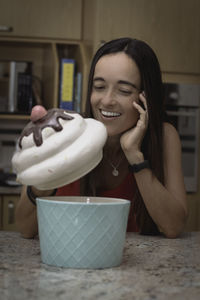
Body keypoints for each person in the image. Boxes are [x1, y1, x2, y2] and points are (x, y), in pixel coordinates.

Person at [15, 37, 188, 239]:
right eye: (99, 87)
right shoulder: (64, 131)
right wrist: (48, 172)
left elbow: (173, 227)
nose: (106, 101)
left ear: (146, 97)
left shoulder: (164, 136)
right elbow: (25, 228)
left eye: (124, 90)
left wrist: (134, 155)